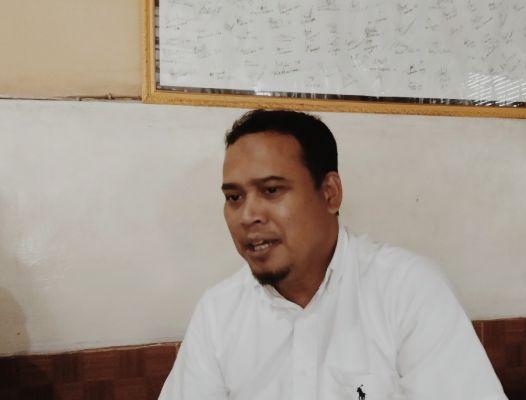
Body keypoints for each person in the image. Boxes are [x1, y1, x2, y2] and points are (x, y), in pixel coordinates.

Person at [159, 109, 507, 400]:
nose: (248, 215)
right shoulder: (218, 313)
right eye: (234, 197)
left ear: (329, 193)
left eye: (271, 190)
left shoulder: (407, 290)